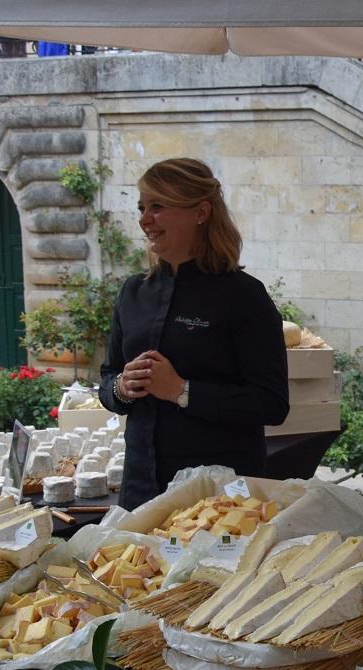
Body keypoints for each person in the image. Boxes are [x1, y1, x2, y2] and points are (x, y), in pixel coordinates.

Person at [100, 157, 289, 509]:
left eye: (157, 207)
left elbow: (272, 403)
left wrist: (182, 391)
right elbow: (108, 378)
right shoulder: (133, 292)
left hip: (217, 496)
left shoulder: (244, 296)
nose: (144, 219)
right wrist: (121, 387)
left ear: (200, 212)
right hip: (141, 487)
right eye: (142, 208)